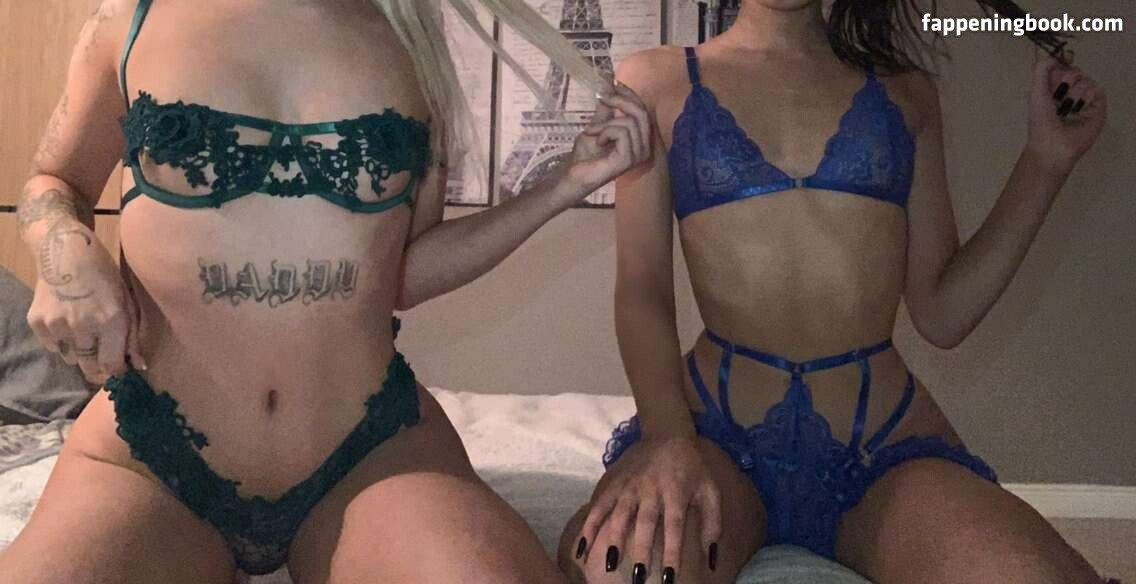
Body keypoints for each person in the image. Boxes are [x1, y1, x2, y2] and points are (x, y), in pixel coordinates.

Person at [1, 0, 650, 582]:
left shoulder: (412, 44)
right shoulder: (131, 21)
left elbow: (401, 274)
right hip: (151, 454)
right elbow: (55, 180)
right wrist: (65, 249)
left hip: (369, 450)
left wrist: (565, 185)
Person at [560, 1, 1108, 583]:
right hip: (711, 436)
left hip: (881, 452)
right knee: (621, 572)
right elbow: (643, 290)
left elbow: (943, 313)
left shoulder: (907, 91)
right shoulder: (656, 80)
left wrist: (1046, 161)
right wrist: (669, 437)